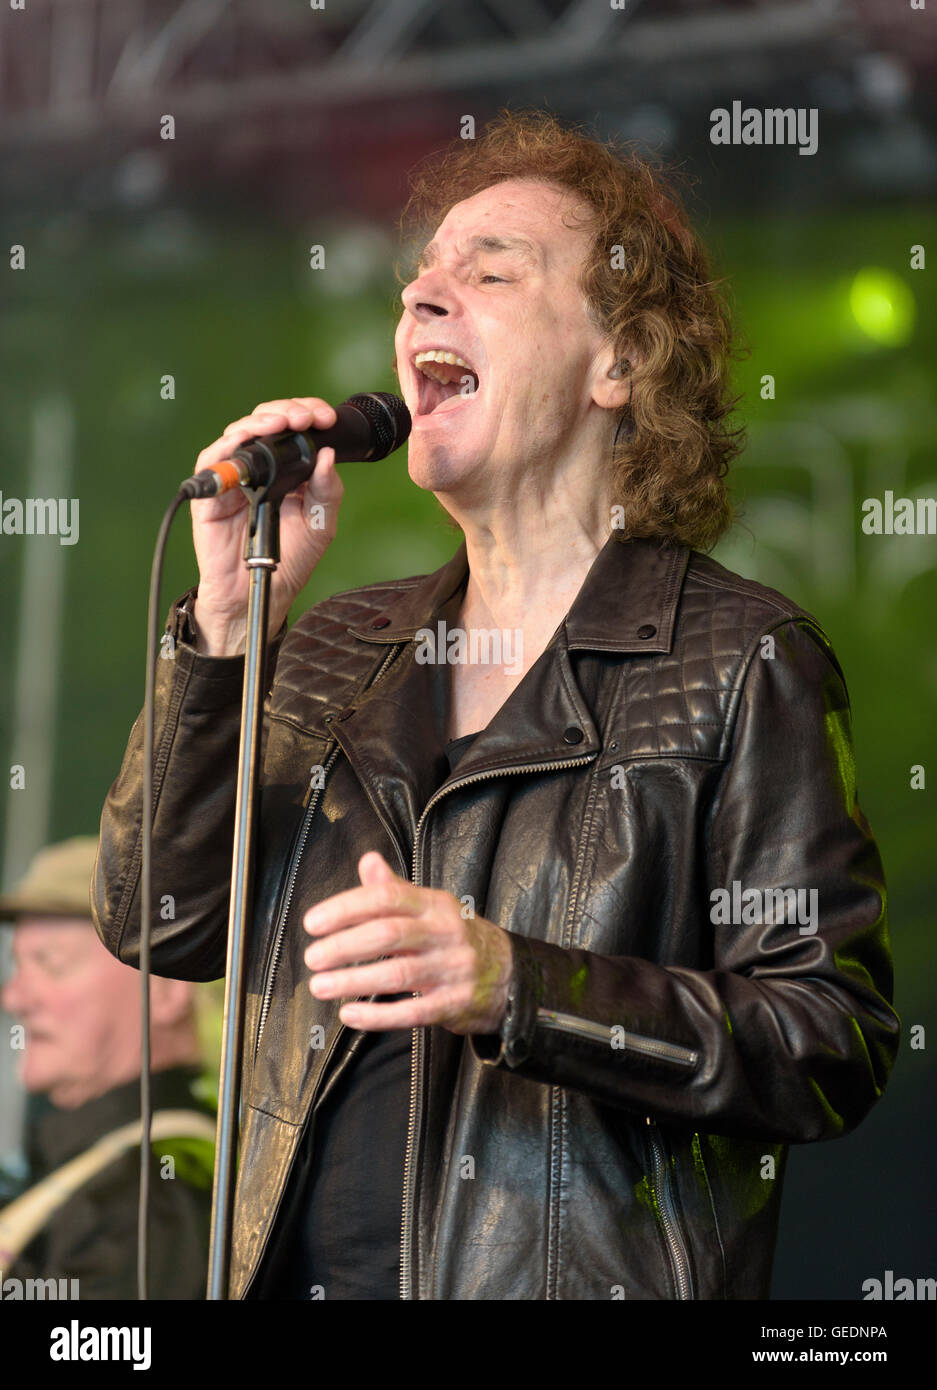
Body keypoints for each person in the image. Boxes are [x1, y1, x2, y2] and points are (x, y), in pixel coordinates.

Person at [92, 110, 899, 1301]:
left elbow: (827, 1039)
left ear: (616, 363)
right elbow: (156, 921)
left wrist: (515, 983)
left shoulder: (736, 658)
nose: (421, 295)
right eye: (418, 278)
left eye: (488, 271)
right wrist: (224, 625)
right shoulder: (329, 647)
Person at [0, 836, 216, 1298]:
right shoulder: (94, 1174)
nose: (13, 997)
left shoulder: (150, 1199)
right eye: (17, 966)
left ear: (167, 988)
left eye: (50, 964)